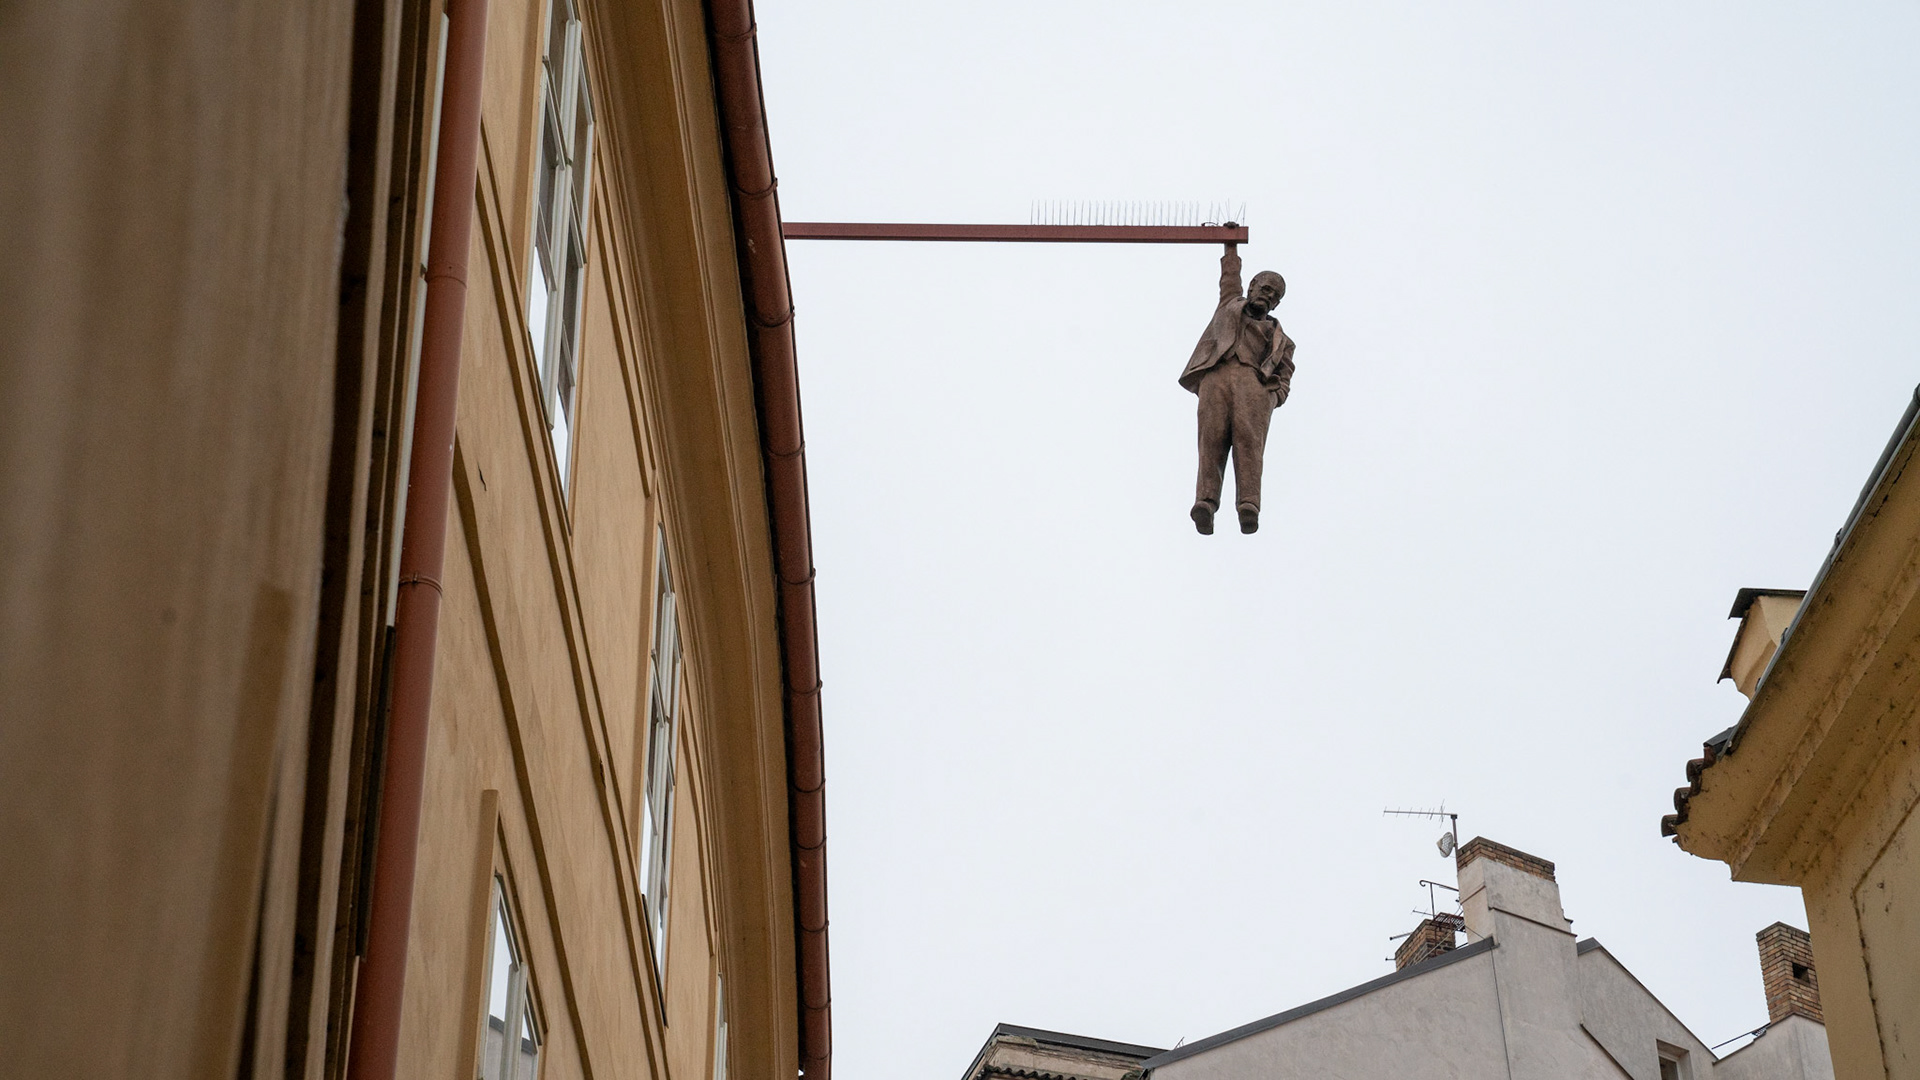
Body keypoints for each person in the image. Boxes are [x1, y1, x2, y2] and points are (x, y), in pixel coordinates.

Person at [1177, 240, 1294, 534]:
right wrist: (1231, 248)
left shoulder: (1284, 341)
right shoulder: (1231, 304)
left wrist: (1272, 397)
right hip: (1217, 378)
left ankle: (1248, 505)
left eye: (1275, 295)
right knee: (1211, 440)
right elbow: (1229, 278)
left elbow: (1286, 374)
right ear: (1252, 287)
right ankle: (1205, 502)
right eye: (1265, 288)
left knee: (1249, 445)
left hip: (1254, 385)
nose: (1268, 296)